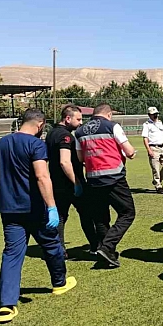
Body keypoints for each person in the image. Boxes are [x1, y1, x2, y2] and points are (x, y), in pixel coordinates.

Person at [0, 108, 77, 323]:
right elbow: (42, 176)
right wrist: (52, 207)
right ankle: (59, 283)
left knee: (12, 254)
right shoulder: (36, 144)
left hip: (9, 209)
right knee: (52, 245)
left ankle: (7, 306)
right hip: (35, 208)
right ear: (40, 125)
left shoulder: (0, 144)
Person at [75, 103, 137, 268]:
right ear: (108, 114)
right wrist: (130, 153)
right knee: (127, 213)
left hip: (93, 179)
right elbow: (129, 151)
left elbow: (81, 158)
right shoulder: (112, 126)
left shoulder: (80, 131)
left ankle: (106, 253)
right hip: (114, 177)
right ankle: (107, 246)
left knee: (101, 218)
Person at [45, 104, 99, 256]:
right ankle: (95, 245)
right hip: (70, 182)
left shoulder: (51, 133)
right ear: (68, 118)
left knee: (61, 216)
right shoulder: (65, 136)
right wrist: (76, 182)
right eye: (79, 119)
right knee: (87, 213)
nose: (81, 122)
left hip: (56, 182)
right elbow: (64, 161)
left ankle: (59, 249)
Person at [141, 106, 163, 194]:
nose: (156, 116)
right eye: (153, 115)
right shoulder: (146, 125)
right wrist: (149, 150)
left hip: (162, 148)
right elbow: (145, 138)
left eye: (156, 114)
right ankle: (158, 186)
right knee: (156, 169)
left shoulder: (160, 123)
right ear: (149, 115)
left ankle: (157, 180)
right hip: (153, 147)